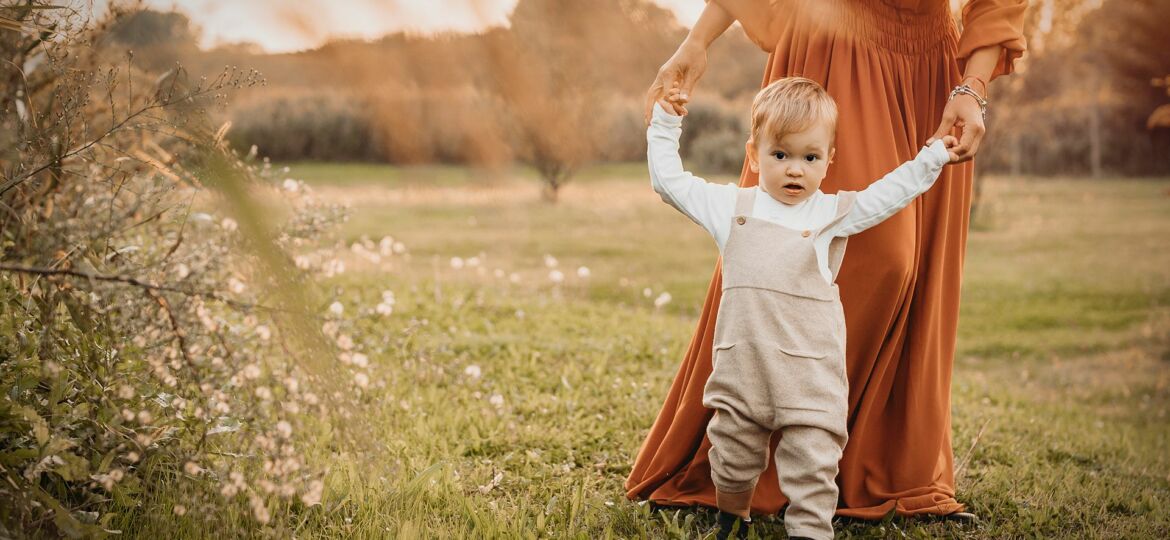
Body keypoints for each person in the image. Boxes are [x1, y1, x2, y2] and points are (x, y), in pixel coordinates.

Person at [627, 0, 1027, 521]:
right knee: (858, 252)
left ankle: (886, 466)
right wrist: (696, 40)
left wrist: (973, 84)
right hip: (831, 43)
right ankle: (752, 455)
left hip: (930, 64)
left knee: (908, 267)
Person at [649, 76, 957, 539]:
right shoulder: (732, 208)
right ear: (754, 155)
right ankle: (733, 517)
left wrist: (934, 154)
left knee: (813, 470)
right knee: (730, 460)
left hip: (810, 378)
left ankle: (810, 533)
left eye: (810, 158)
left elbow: (892, 191)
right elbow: (667, 182)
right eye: (781, 156)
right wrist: (665, 121)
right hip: (742, 370)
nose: (795, 170)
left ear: (829, 160)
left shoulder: (831, 214)